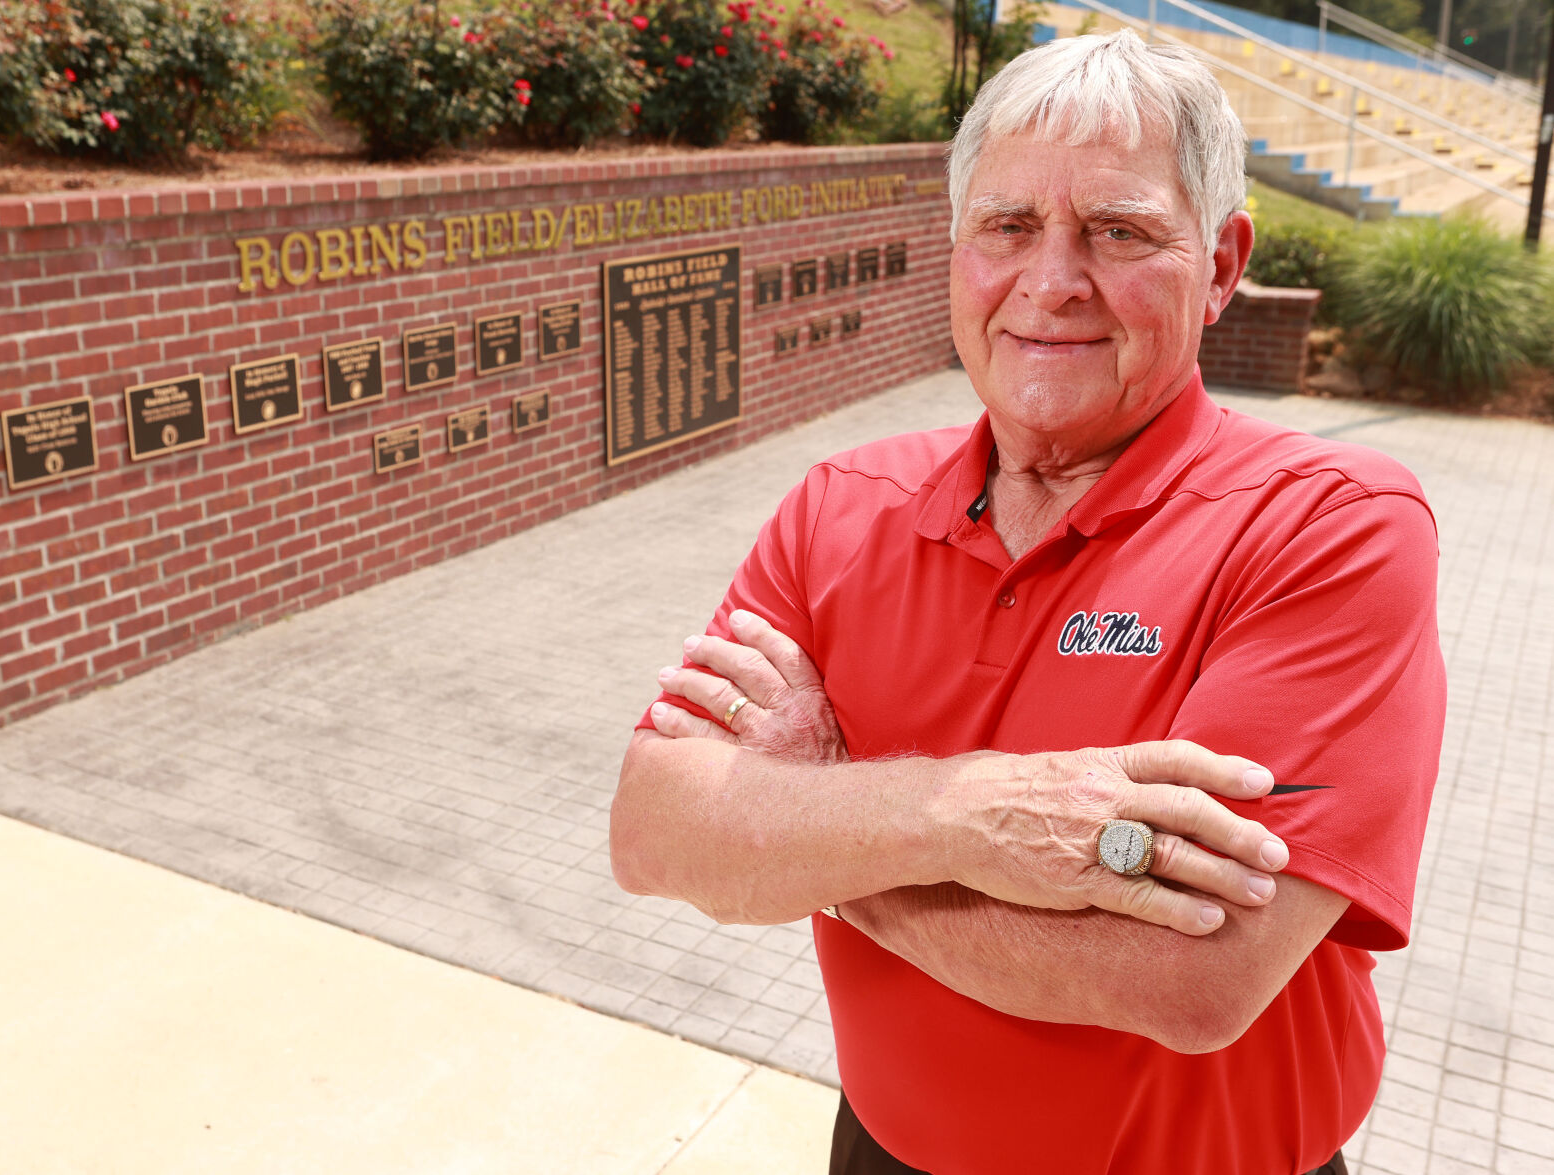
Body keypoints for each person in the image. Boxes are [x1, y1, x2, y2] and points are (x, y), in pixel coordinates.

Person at [609, 30, 1444, 1175]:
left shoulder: (1327, 525)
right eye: (1004, 227)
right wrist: (963, 819)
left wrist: (806, 827)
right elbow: (653, 831)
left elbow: (1192, 977)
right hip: (883, 1151)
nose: (1050, 282)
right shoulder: (836, 507)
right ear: (955, 253)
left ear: (1222, 262)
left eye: (1118, 231)